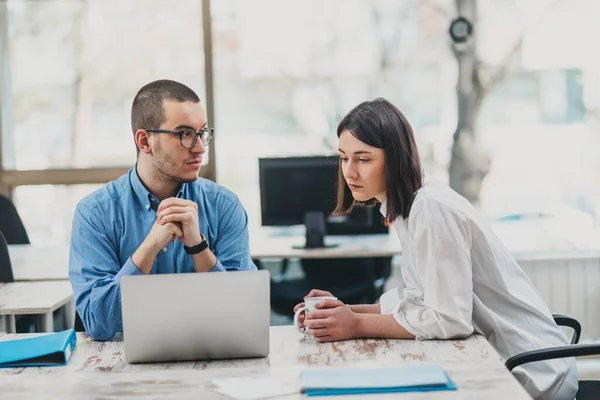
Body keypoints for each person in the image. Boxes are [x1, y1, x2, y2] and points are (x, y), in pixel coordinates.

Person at [293, 98, 578, 400]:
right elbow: (420, 301)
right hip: (498, 358)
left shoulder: (431, 209)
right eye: (343, 158)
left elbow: (450, 320)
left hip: (530, 372)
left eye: (363, 159)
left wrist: (356, 324)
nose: (349, 172)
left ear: (395, 158)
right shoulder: (407, 206)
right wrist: (343, 312)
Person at [69, 79, 256, 341]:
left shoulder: (224, 206)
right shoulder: (95, 213)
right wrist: (150, 246)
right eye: (185, 134)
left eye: (202, 133)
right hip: (122, 373)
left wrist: (197, 247)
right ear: (145, 141)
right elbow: (98, 323)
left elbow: (245, 314)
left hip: (211, 365)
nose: (200, 147)